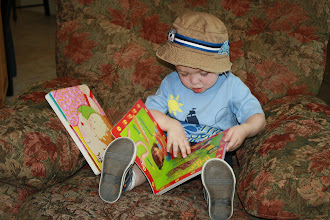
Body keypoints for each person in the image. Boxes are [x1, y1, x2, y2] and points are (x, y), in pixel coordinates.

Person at [99, 11, 266, 220]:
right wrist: (172, 125)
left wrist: (244, 129)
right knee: (151, 164)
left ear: (220, 66)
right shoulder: (170, 83)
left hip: (212, 154)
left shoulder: (232, 86)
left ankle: (217, 196)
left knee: (216, 168)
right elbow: (147, 114)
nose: (194, 81)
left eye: (204, 74)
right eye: (184, 73)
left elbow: (258, 117)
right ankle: (124, 179)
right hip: (172, 152)